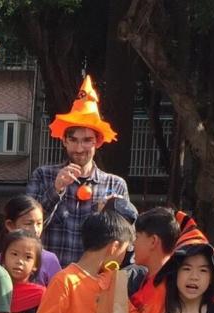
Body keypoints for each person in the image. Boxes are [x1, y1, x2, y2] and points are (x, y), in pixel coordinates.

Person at [27, 76, 134, 266]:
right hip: (49, 276)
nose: (79, 148)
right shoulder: (43, 175)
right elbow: (26, 228)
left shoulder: (115, 185)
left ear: (98, 142)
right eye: (73, 140)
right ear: (64, 141)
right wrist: (56, 189)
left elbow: (126, 241)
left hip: (94, 278)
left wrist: (111, 214)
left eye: (87, 140)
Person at [0, 195, 62, 286]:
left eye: (39, 223)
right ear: (10, 225)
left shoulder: (50, 260)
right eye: (28, 223)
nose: (35, 230)